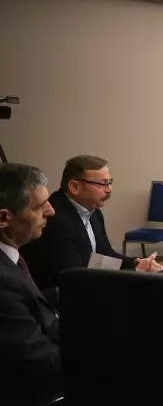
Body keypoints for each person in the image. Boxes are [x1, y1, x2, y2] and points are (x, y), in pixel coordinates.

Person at [22, 156, 161, 290]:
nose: (109, 189)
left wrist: (135, 262)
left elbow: (103, 255)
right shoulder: (56, 219)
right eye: (103, 183)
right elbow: (74, 278)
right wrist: (134, 273)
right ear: (75, 187)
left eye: (109, 182)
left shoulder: (93, 211)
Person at [0, 164, 62, 405]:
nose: (51, 211)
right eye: (39, 206)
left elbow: (26, 302)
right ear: (3, 218)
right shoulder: (3, 280)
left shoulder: (10, 259)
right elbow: (40, 365)